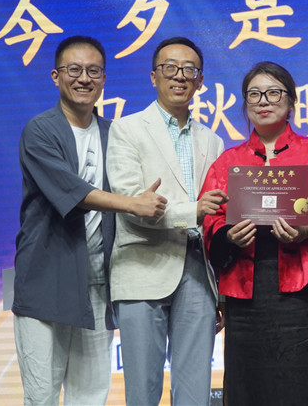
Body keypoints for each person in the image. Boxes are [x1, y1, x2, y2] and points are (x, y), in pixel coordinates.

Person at [12, 35, 167, 406]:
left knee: (91, 396)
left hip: (98, 286)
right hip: (45, 281)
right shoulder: (39, 130)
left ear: (104, 78)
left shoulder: (116, 134)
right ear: (55, 76)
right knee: (41, 397)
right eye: (74, 70)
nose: (84, 78)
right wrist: (132, 204)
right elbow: (72, 192)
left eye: (94, 71)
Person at [201, 61, 308, 406]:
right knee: (249, 387)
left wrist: (306, 230)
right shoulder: (227, 162)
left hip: (305, 293)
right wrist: (230, 236)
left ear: (291, 100)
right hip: (247, 296)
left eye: (273, 92)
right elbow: (211, 223)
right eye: (254, 94)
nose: (263, 101)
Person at [105, 37, 227, 406]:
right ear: (153, 76)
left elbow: (219, 215)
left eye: (189, 70)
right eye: (170, 68)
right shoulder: (126, 129)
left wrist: (222, 287)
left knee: (194, 393)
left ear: (200, 80)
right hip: (142, 269)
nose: (180, 76)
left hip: (199, 272)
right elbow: (132, 204)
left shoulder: (214, 141)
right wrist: (194, 211)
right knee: (142, 393)